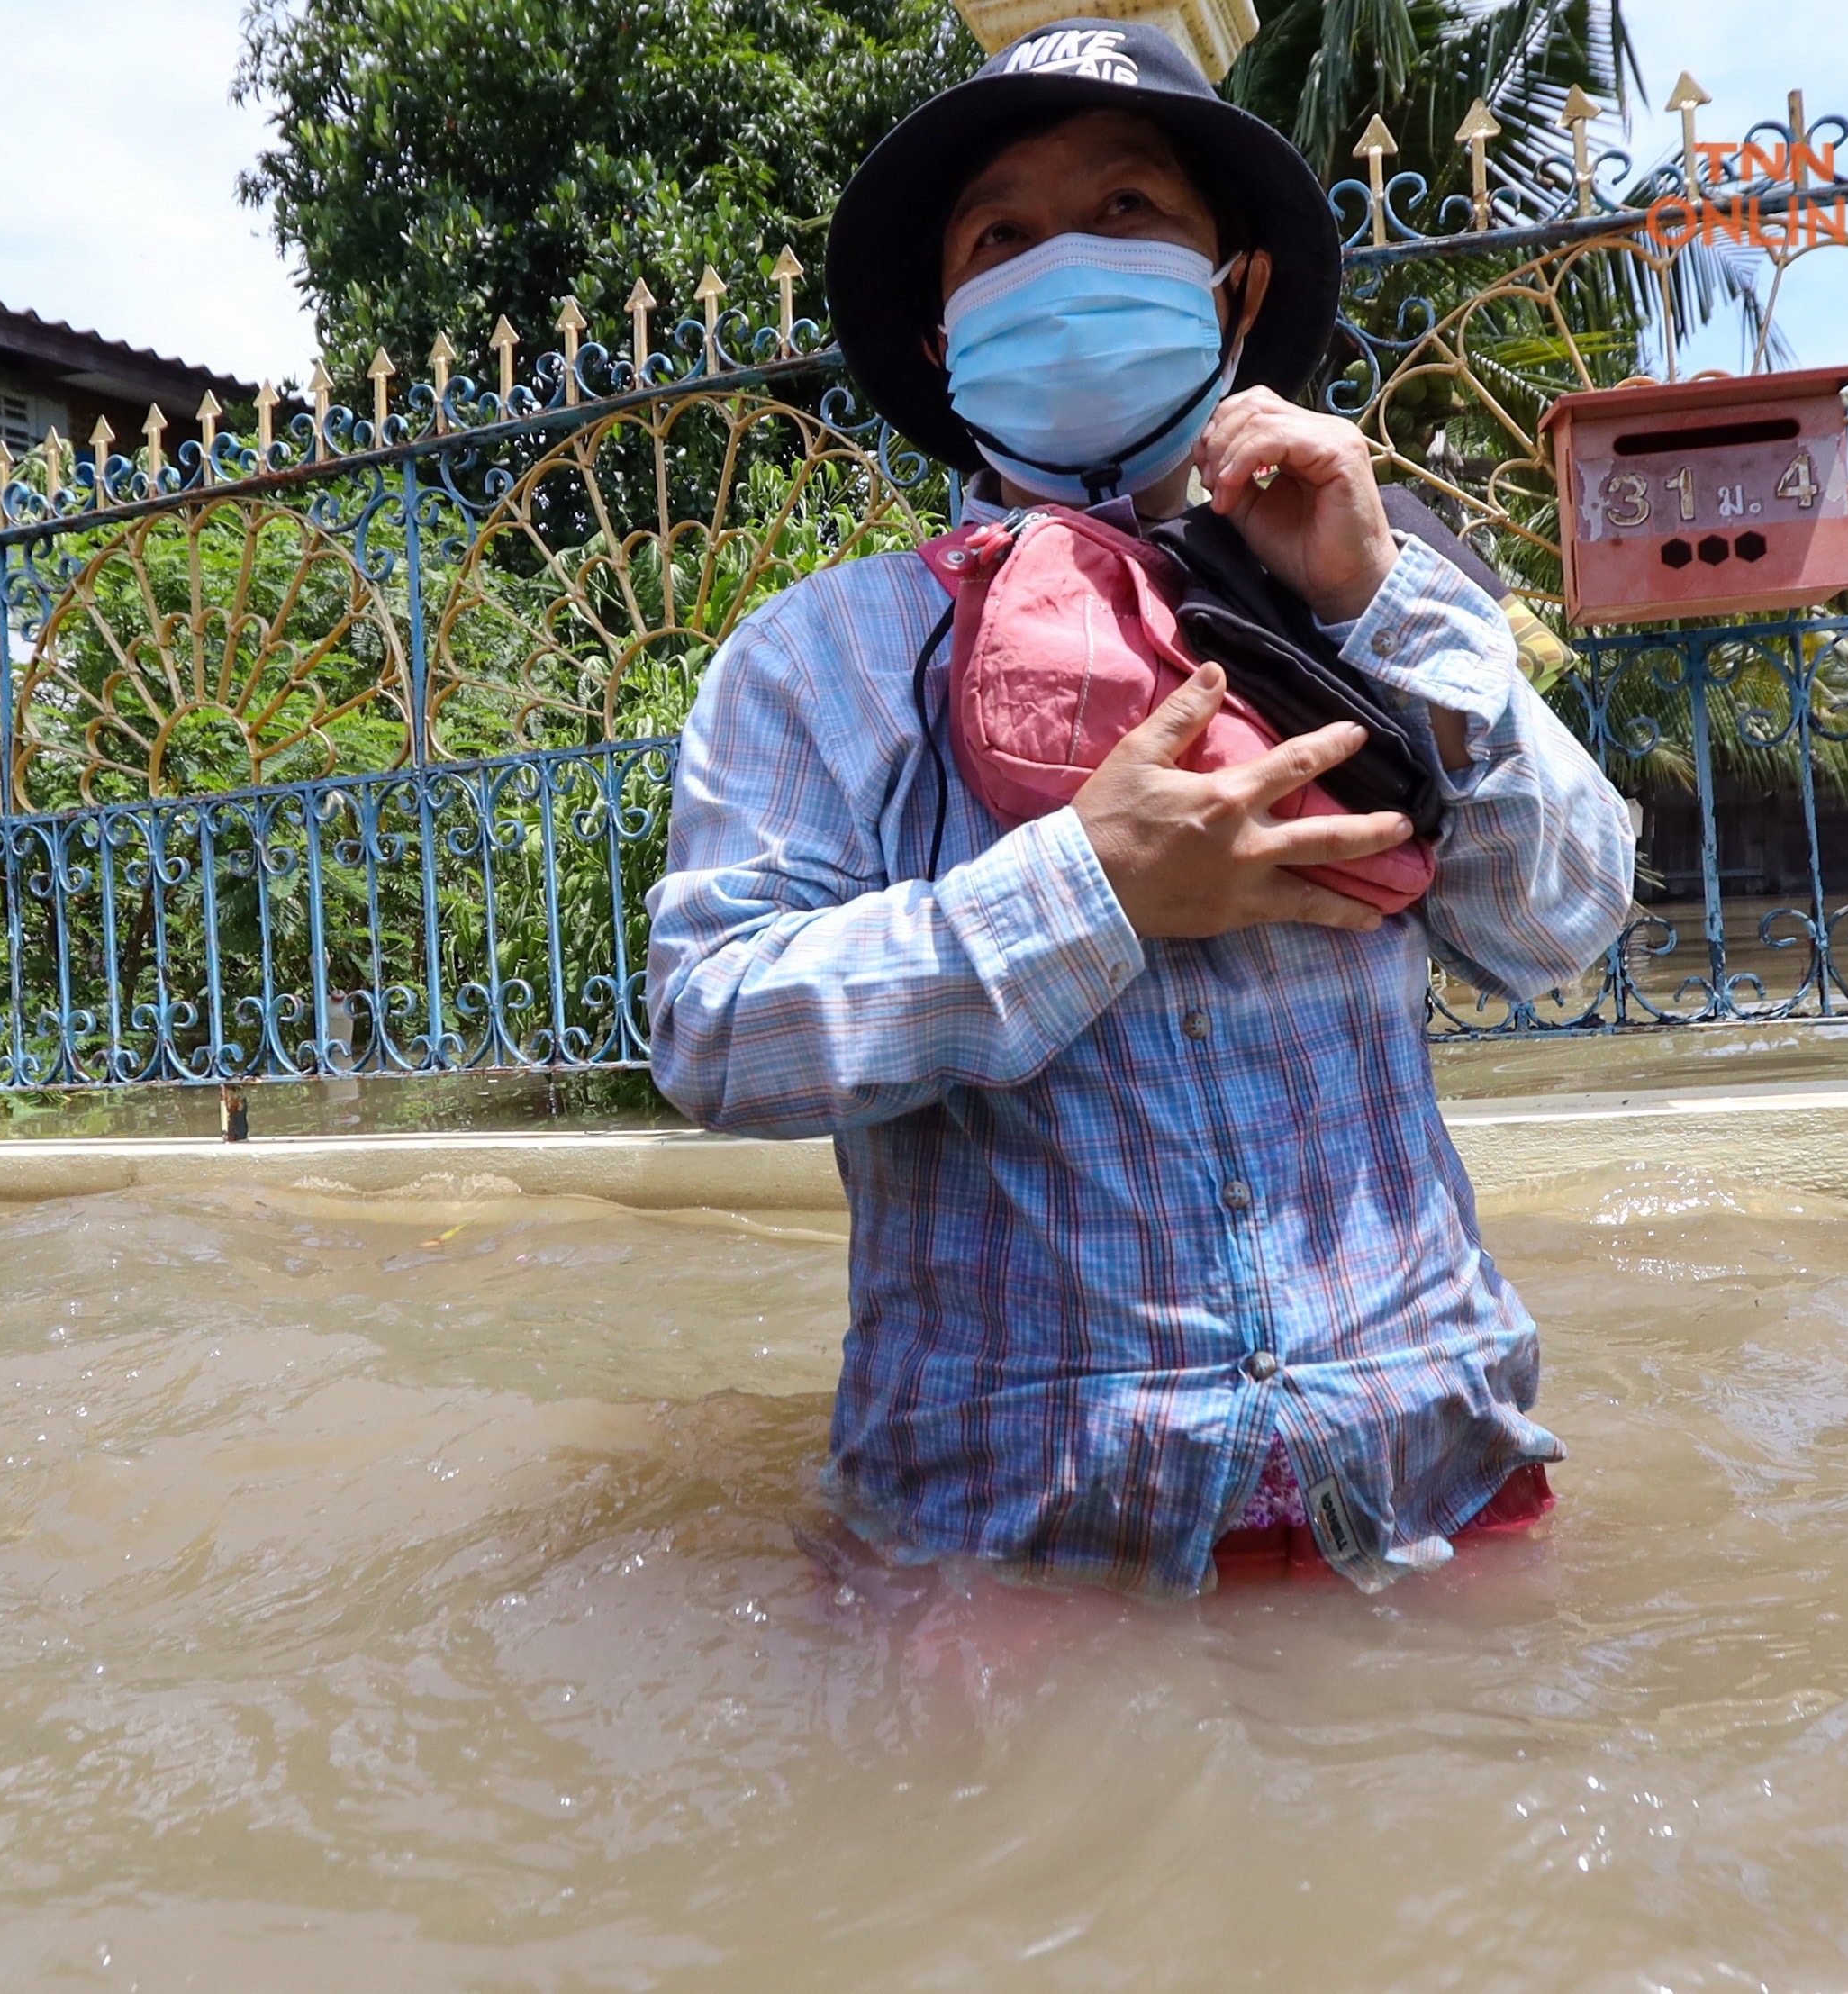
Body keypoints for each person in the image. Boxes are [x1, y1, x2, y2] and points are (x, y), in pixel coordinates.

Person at [647, 22, 1636, 1598]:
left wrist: (1384, 606)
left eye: (1124, 211)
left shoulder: (1384, 589)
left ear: (1230, 287)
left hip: (1430, 1490)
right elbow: (711, 1031)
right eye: (1002, 238)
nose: (1064, 262)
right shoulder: (815, 658)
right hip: (1012, 1543)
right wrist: (1085, 893)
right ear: (940, 334)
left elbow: (1561, 924)